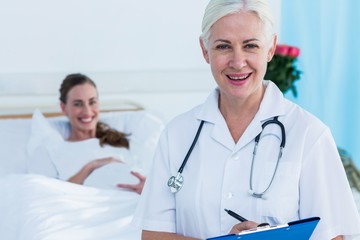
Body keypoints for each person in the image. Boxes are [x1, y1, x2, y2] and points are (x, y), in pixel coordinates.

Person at [136, 0, 360, 239]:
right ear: (204, 50)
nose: (237, 61)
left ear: (271, 48)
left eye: (250, 45)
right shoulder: (177, 134)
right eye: (223, 46)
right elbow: (153, 234)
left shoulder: (310, 134)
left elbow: (333, 235)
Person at [29, 73, 145, 194]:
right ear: (64, 108)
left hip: (136, 201)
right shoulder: (54, 149)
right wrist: (91, 166)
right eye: (78, 104)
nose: (87, 111)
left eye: (92, 102)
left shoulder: (120, 142)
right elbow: (51, 194)